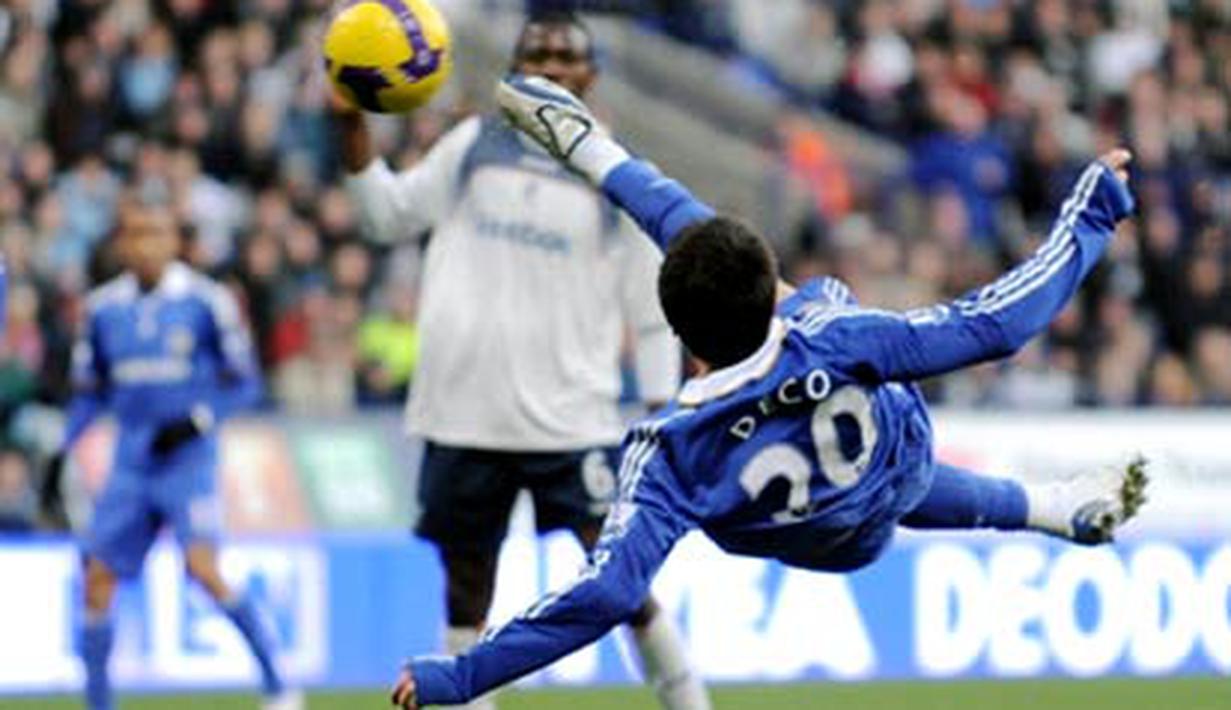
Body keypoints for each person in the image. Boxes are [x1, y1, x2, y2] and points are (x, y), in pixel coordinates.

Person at [386, 75, 1150, 708]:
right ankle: (1040, 507)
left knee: (755, 290)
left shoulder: (665, 455)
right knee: (827, 300)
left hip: (806, 537)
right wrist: (1087, 216)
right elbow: (998, 327)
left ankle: (1049, 508)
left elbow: (607, 594)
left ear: (680, 337)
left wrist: (462, 676)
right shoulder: (831, 331)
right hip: (886, 463)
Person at [330, 11, 708, 710]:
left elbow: (651, 313)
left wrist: (663, 416)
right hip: (462, 413)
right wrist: (349, 123)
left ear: (589, 77)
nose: (553, 68)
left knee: (623, 584)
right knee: (466, 592)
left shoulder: (617, 176)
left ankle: (687, 700)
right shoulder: (471, 144)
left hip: (572, 419)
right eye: (538, 56)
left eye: (567, 58)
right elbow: (384, 215)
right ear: (515, 68)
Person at [46, 199, 300, 710]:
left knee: (203, 568)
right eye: (137, 234)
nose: (147, 244)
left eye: (157, 233)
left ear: (174, 240)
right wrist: (63, 446)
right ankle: (98, 704)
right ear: (122, 243)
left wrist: (198, 420)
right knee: (96, 577)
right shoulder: (101, 309)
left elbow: (247, 382)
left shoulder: (206, 301)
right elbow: (90, 390)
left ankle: (278, 685)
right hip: (131, 461)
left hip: (188, 460)